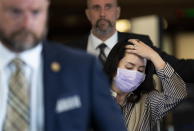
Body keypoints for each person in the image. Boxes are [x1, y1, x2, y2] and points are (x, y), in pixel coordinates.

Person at [0, 0, 128, 131]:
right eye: (15, 12)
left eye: (35, 12)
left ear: (46, 11)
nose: (26, 23)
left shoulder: (82, 67)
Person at [66, 0, 194, 84]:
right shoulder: (69, 51)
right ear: (88, 14)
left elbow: (177, 67)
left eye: (108, 7)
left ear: (117, 12)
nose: (103, 13)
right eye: (96, 8)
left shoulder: (137, 43)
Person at [103, 39, 187, 131]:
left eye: (140, 70)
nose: (134, 73)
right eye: (129, 67)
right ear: (114, 65)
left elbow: (178, 94)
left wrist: (154, 56)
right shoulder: (95, 96)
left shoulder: (148, 102)